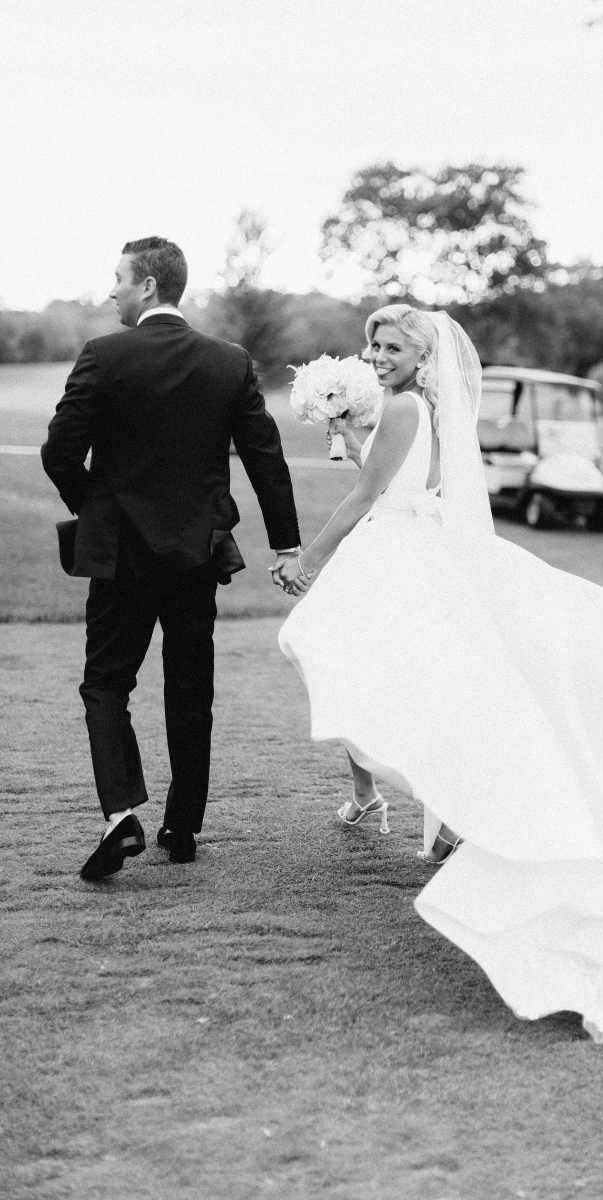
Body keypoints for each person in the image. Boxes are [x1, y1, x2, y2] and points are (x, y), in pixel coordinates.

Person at [274, 304, 603, 1049]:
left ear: (421, 356)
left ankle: (429, 806)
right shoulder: (428, 408)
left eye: (391, 346)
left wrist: (309, 559)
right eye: (372, 345)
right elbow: (398, 477)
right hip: (418, 542)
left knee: (349, 659)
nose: (377, 356)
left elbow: (368, 496)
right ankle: (394, 803)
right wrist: (347, 432)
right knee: (399, 675)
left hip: (395, 551)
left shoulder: (403, 406)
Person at [42, 237, 301, 881]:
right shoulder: (229, 362)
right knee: (190, 689)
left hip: (122, 558)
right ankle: (182, 827)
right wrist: (286, 544)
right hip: (196, 557)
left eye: (119, 278)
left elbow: (58, 452)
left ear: (149, 286)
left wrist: (99, 509)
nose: (112, 291)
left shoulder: (104, 355)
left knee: (106, 683)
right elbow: (265, 459)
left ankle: (121, 814)